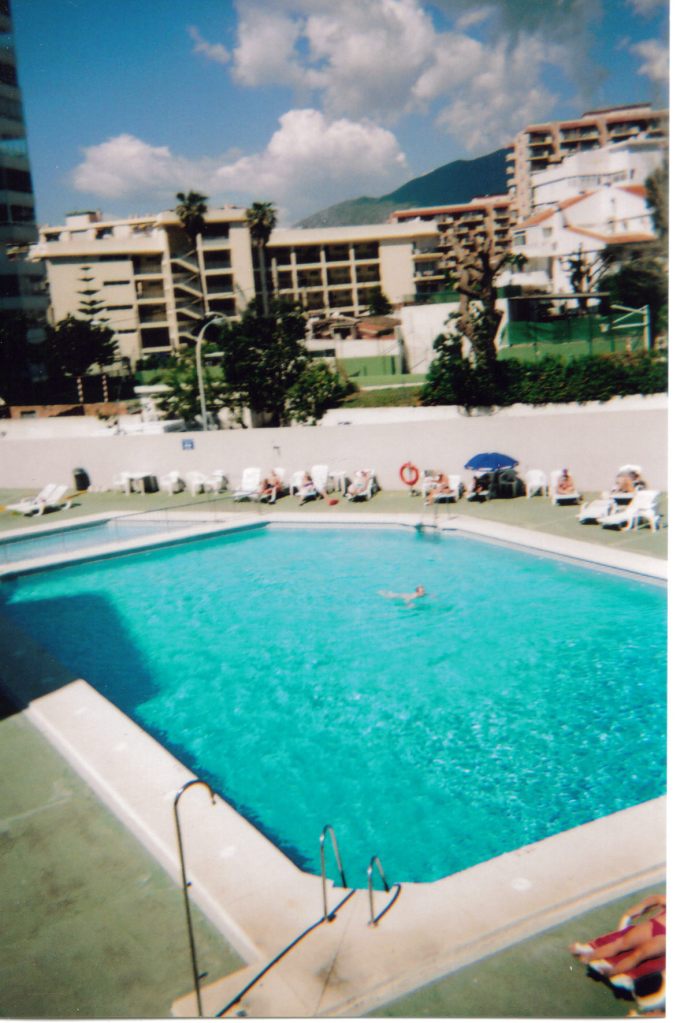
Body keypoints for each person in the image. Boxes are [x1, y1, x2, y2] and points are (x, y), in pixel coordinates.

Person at [569, 893, 666, 976]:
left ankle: (598, 964)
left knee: (630, 951)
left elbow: (657, 899)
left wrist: (639, 908)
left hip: (661, 931)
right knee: (631, 952)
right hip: (659, 928)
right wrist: (634, 911)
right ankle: (596, 962)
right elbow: (657, 899)